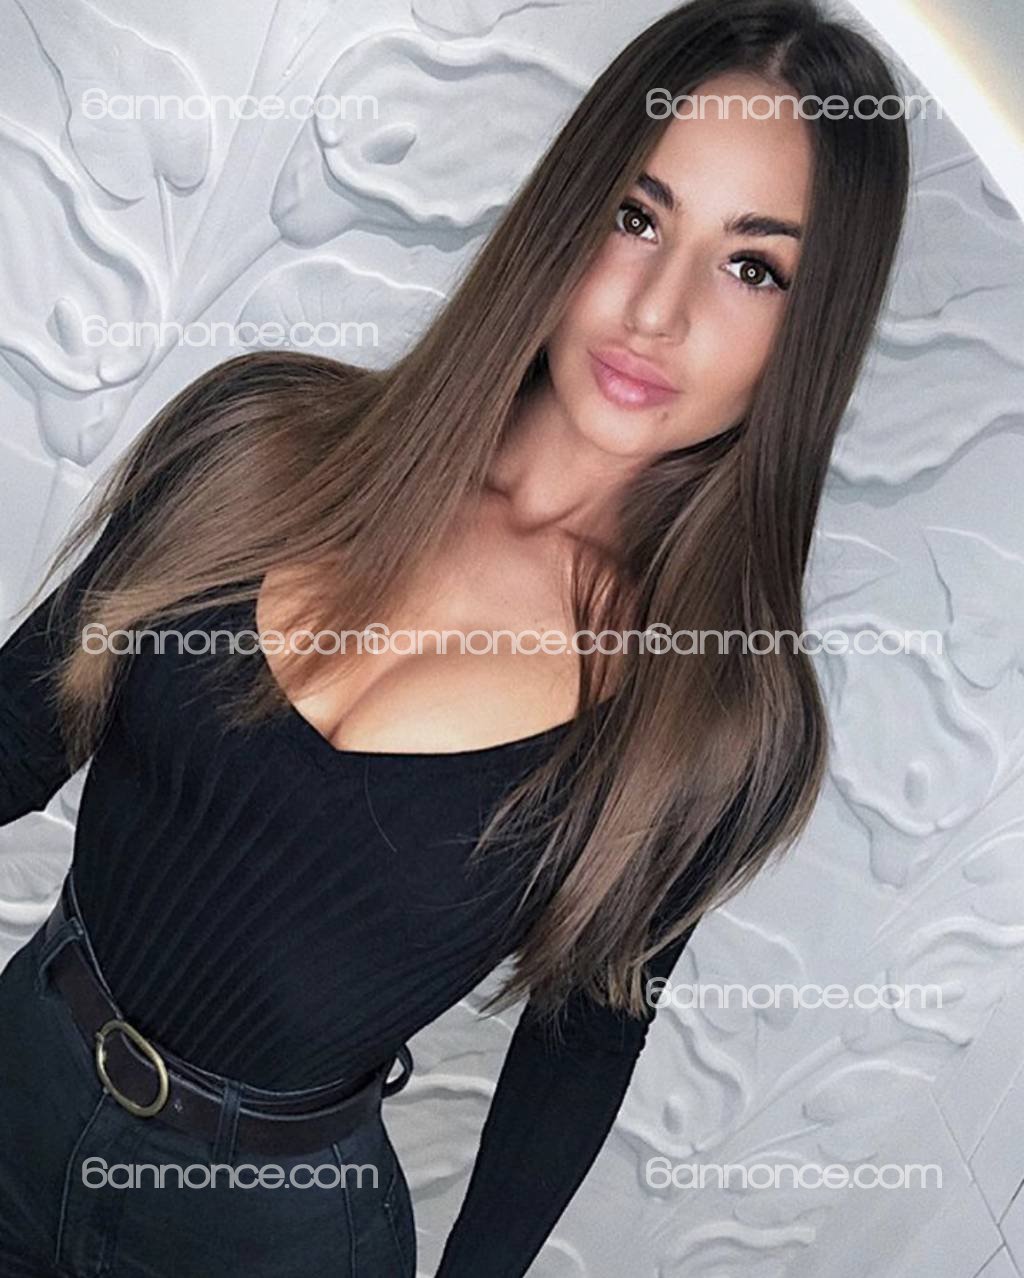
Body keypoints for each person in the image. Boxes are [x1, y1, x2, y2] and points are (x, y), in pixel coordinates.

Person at [0, 0, 910, 1273]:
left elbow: (577, 1050)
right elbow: (19, 729)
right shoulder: (255, 441)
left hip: (267, 1236)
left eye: (752, 267)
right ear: (566, 212)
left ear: (809, 332)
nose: (656, 310)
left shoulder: (712, 719)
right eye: (635, 217)